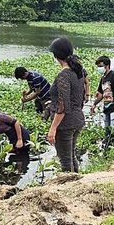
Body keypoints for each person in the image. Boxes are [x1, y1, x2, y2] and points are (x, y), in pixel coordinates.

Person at [48, 37, 85, 172]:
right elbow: (81, 96)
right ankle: (77, 183)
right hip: (77, 120)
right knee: (70, 156)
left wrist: (53, 129)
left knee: (65, 160)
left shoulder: (64, 75)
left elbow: (62, 106)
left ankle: (70, 186)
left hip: (65, 124)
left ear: (56, 56)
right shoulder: (78, 71)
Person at [90, 56, 114, 137]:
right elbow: (101, 93)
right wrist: (94, 104)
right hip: (106, 107)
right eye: (98, 66)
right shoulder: (103, 78)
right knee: (107, 130)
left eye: (100, 66)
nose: (99, 68)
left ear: (107, 65)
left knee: (113, 129)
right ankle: (108, 144)